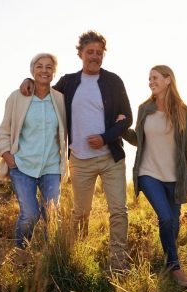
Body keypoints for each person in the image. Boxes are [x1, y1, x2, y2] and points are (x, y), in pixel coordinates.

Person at [20, 30, 132, 271]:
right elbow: (44, 91)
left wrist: (105, 137)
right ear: (80, 53)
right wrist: (28, 82)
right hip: (80, 160)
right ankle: (79, 256)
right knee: (80, 212)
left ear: (103, 55)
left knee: (118, 211)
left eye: (99, 53)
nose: (94, 56)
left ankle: (118, 260)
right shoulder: (68, 82)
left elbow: (127, 119)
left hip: (110, 158)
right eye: (89, 52)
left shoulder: (114, 81)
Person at [123, 65, 187, 288]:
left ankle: (168, 261)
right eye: (149, 78)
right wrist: (121, 128)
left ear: (168, 80)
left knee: (173, 224)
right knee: (166, 218)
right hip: (148, 173)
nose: (151, 81)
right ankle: (176, 267)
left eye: (155, 77)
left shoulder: (184, 112)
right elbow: (138, 138)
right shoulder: (144, 109)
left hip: (176, 178)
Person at [0, 53, 67, 250]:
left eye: (49, 67)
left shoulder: (60, 99)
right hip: (22, 165)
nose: (44, 70)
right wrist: (9, 159)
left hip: (51, 166)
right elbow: (4, 131)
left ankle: (49, 258)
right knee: (30, 214)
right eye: (39, 66)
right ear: (32, 70)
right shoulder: (17, 97)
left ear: (54, 72)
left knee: (51, 215)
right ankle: (21, 251)